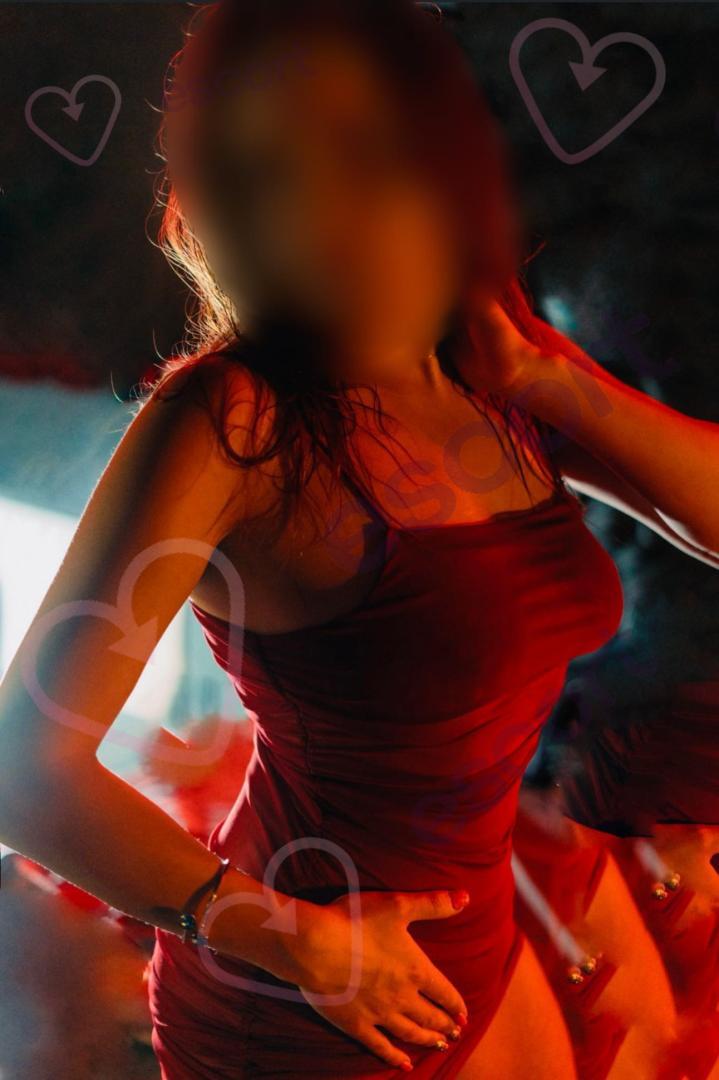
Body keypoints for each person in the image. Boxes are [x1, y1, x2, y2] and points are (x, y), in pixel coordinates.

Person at [0, 0, 717, 1076]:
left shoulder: (486, 378)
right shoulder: (233, 417)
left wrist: (547, 375)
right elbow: (22, 771)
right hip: (304, 996)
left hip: (470, 951)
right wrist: (290, 941)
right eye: (307, 152)